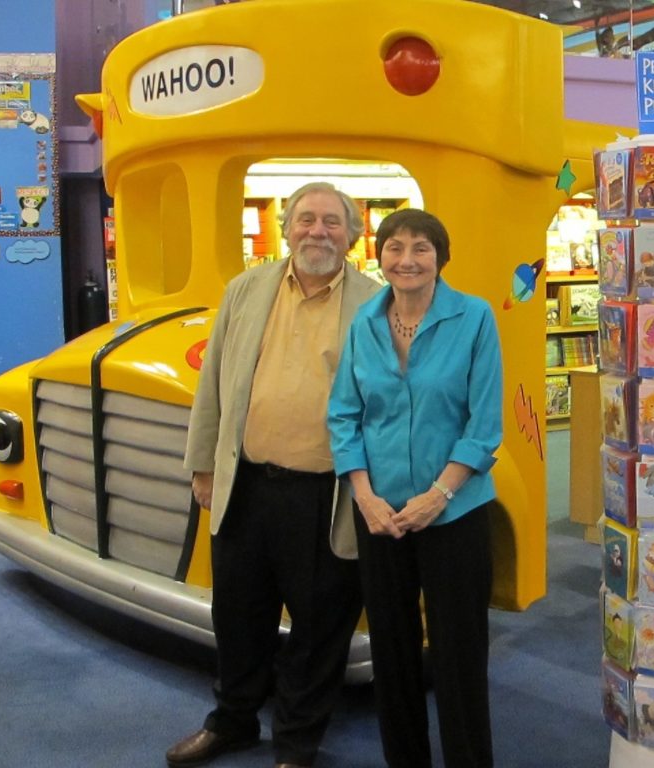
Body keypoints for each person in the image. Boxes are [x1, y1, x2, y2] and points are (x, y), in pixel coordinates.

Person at [168, 181, 381, 768]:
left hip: (326, 495)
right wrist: (203, 465)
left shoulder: (374, 304)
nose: (318, 231)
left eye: (332, 222)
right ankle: (232, 721)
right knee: (237, 615)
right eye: (306, 219)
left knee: (319, 629)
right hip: (247, 485)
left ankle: (296, 742)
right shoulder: (246, 290)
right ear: (286, 228)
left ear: (352, 234)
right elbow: (213, 384)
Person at [328, 208, 503, 768]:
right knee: (393, 651)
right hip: (379, 513)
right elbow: (343, 414)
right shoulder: (364, 322)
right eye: (394, 247)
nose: (406, 259)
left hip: (453, 512)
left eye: (421, 248)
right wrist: (364, 494)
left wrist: (439, 496)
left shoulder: (474, 318)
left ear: (440, 258)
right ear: (378, 257)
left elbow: (485, 426)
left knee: (457, 655)